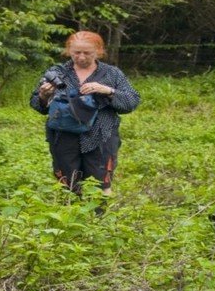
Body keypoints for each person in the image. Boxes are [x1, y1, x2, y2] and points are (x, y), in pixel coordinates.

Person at [30, 31, 140, 195]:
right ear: (69, 50)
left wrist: (107, 90)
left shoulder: (112, 73)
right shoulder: (57, 72)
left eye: (87, 53)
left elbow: (131, 101)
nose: (81, 57)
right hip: (63, 135)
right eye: (76, 52)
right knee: (68, 183)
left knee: (100, 184)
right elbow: (38, 105)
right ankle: (70, 217)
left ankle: (99, 219)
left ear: (98, 51)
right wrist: (43, 95)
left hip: (102, 135)